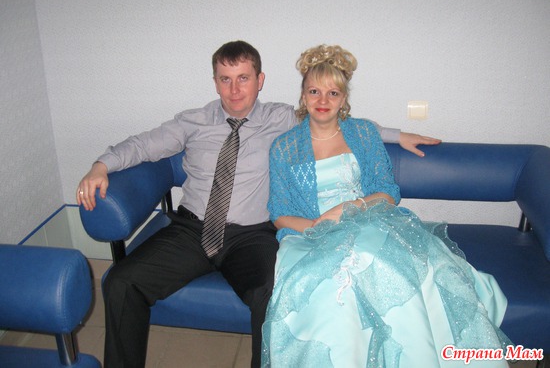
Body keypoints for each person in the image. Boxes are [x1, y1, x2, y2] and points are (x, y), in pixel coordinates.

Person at [76, 40, 441, 368]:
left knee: (270, 293)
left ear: (259, 80)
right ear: (215, 81)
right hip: (191, 230)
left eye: (243, 78)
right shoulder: (192, 121)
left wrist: (399, 135)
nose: (234, 89)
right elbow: (143, 145)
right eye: (225, 79)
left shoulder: (281, 119)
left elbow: (336, 121)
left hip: (251, 236)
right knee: (121, 281)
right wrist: (101, 165)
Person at [261, 45, 511, 367]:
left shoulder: (363, 133)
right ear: (303, 95)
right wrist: (316, 227)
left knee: (381, 264)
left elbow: (388, 191)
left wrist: (350, 207)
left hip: (368, 220)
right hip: (309, 235)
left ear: (343, 98)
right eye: (314, 91)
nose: (323, 101)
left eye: (333, 93)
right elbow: (279, 213)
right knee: (330, 288)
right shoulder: (284, 147)